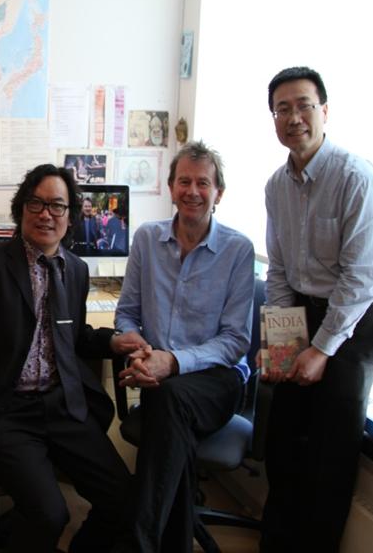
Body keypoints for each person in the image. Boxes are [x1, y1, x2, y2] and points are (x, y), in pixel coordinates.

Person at [0, 164, 134, 552]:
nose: (45, 214)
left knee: (124, 499)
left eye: (57, 206)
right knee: (50, 515)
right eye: (36, 203)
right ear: (21, 208)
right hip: (7, 410)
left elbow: (74, 336)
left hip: (62, 405)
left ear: (70, 215)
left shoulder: (76, 270)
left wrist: (114, 342)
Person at [259, 67, 373, 552]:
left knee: (328, 456)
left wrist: (321, 350)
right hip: (302, 312)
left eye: (304, 106)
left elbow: (361, 279)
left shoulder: (356, 177)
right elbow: (279, 270)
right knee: (282, 442)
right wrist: (281, 342)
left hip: (354, 324)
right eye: (282, 109)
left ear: (324, 111)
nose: (293, 117)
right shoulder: (276, 186)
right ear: (274, 118)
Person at [112, 140, 254, 552]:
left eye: (203, 183)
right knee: (170, 417)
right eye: (185, 181)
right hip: (158, 378)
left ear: (218, 193)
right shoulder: (146, 239)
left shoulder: (238, 250)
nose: (193, 191)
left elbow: (235, 341)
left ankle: (138, 542)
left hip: (217, 382)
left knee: (167, 399)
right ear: (170, 187)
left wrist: (171, 361)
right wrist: (139, 349)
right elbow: (127, 314)